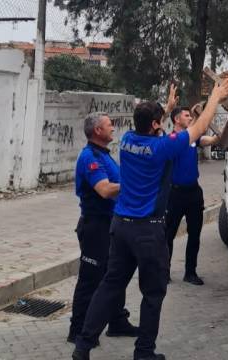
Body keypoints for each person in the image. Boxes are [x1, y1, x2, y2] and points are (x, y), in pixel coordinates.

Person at [72, 79, 228, 360]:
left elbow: (152, 124)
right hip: (147, 231)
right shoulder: (162, 148)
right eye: (161, 121)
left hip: (120, 226)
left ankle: (83, 346)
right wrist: (216, 97)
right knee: (152, 293)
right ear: (158, 125)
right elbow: (198, 126)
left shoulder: (126, 141)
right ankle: (144, 352)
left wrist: (167, 108)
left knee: (110, 286)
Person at [68, 112, 138, 345]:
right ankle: (77, 330)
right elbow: (105, 190)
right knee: (90, 278)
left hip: (110, 223)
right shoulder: (90, 158)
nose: (113, 128)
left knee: (114, 276)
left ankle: (117, 322)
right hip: (95, 227)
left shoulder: (105, 155)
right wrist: (133, 183)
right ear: (97, 131)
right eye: (109, 125)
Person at [164, 106, 219, 285]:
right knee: (168, 235)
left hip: (194, 192)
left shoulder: (194, 139)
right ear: (176, 120)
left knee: (194, 234)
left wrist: (223, 133)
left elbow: (211, 139)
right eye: (187, 116)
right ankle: (164, 272)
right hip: (175, 194)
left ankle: (190, 272)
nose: (190, 118)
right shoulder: (171, 140)